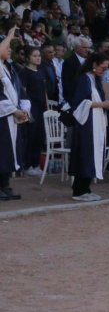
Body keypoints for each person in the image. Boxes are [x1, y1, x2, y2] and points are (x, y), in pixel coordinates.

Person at [69, 52, 109, 201]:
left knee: (92, 155)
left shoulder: (95, 80)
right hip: (86, 124)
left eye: (106, 68)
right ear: (94, 64)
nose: (104, 70)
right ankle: (79, 190)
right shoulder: (84, 79)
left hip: (95, 122)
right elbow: (79, 103)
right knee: (85, 155)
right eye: (103, 67)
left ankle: (86, 188)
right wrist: (103, 104)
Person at [0, 27, 28, 201]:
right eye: (7, 46)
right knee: (2, 152)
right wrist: (10, 34)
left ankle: (5, 185)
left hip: (11, 117)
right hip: (3, 116)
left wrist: (24, 109)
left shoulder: (8, 67)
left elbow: (20, 91)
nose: (10, 49)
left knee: (10, 152)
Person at [20, 46, 48, 177]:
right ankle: (27, 165)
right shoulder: (24, 73)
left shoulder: (41, 71)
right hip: (31, 108)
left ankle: (36, 163)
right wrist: (26, 110)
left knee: (39, 136)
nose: (38, 58)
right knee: (30, 136)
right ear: (27, 58)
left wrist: (47, 107)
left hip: (42, 107)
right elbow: (23, 92)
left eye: (39, 56)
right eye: (35, 56)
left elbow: (45, 92)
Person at [61, 35, 91, 103]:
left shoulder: (90, 60)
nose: (87, 50)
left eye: (88, 48)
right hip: (75, 99)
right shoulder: (69, 62)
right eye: (84, 47)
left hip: (89, 98)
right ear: (76, 48)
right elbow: (67, 84)